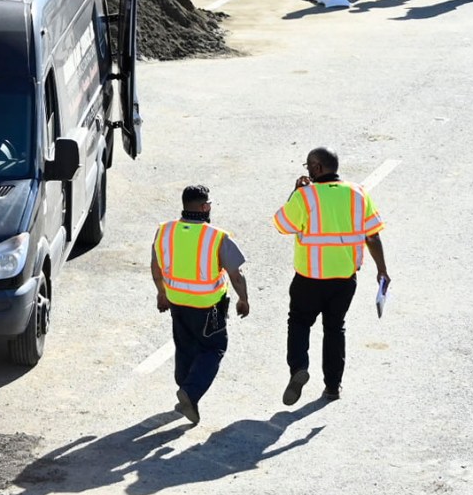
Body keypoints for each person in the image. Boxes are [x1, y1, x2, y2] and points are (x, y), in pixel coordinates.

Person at [271, 147, 387, 404]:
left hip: (309, 279)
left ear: (317, 168)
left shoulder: (305, 197)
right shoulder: (358, 194)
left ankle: (299, 367)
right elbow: (372, 235)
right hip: (344, 280)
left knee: (299, 323)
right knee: (335, 329)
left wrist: (295, 192)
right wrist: (382, 270)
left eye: (308, 166)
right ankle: (333, 387)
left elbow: (282, 225)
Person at [151, 183, 251, 425]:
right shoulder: (216, 236)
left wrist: (161, 293)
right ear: (205, 206)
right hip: (211, 304)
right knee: (214, 347)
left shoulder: (164, 231)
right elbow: (235, 274)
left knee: (185, 345)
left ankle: (185, 388)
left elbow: (156, 267)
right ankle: (190, 392)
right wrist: (243, 299)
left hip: (177, 301)